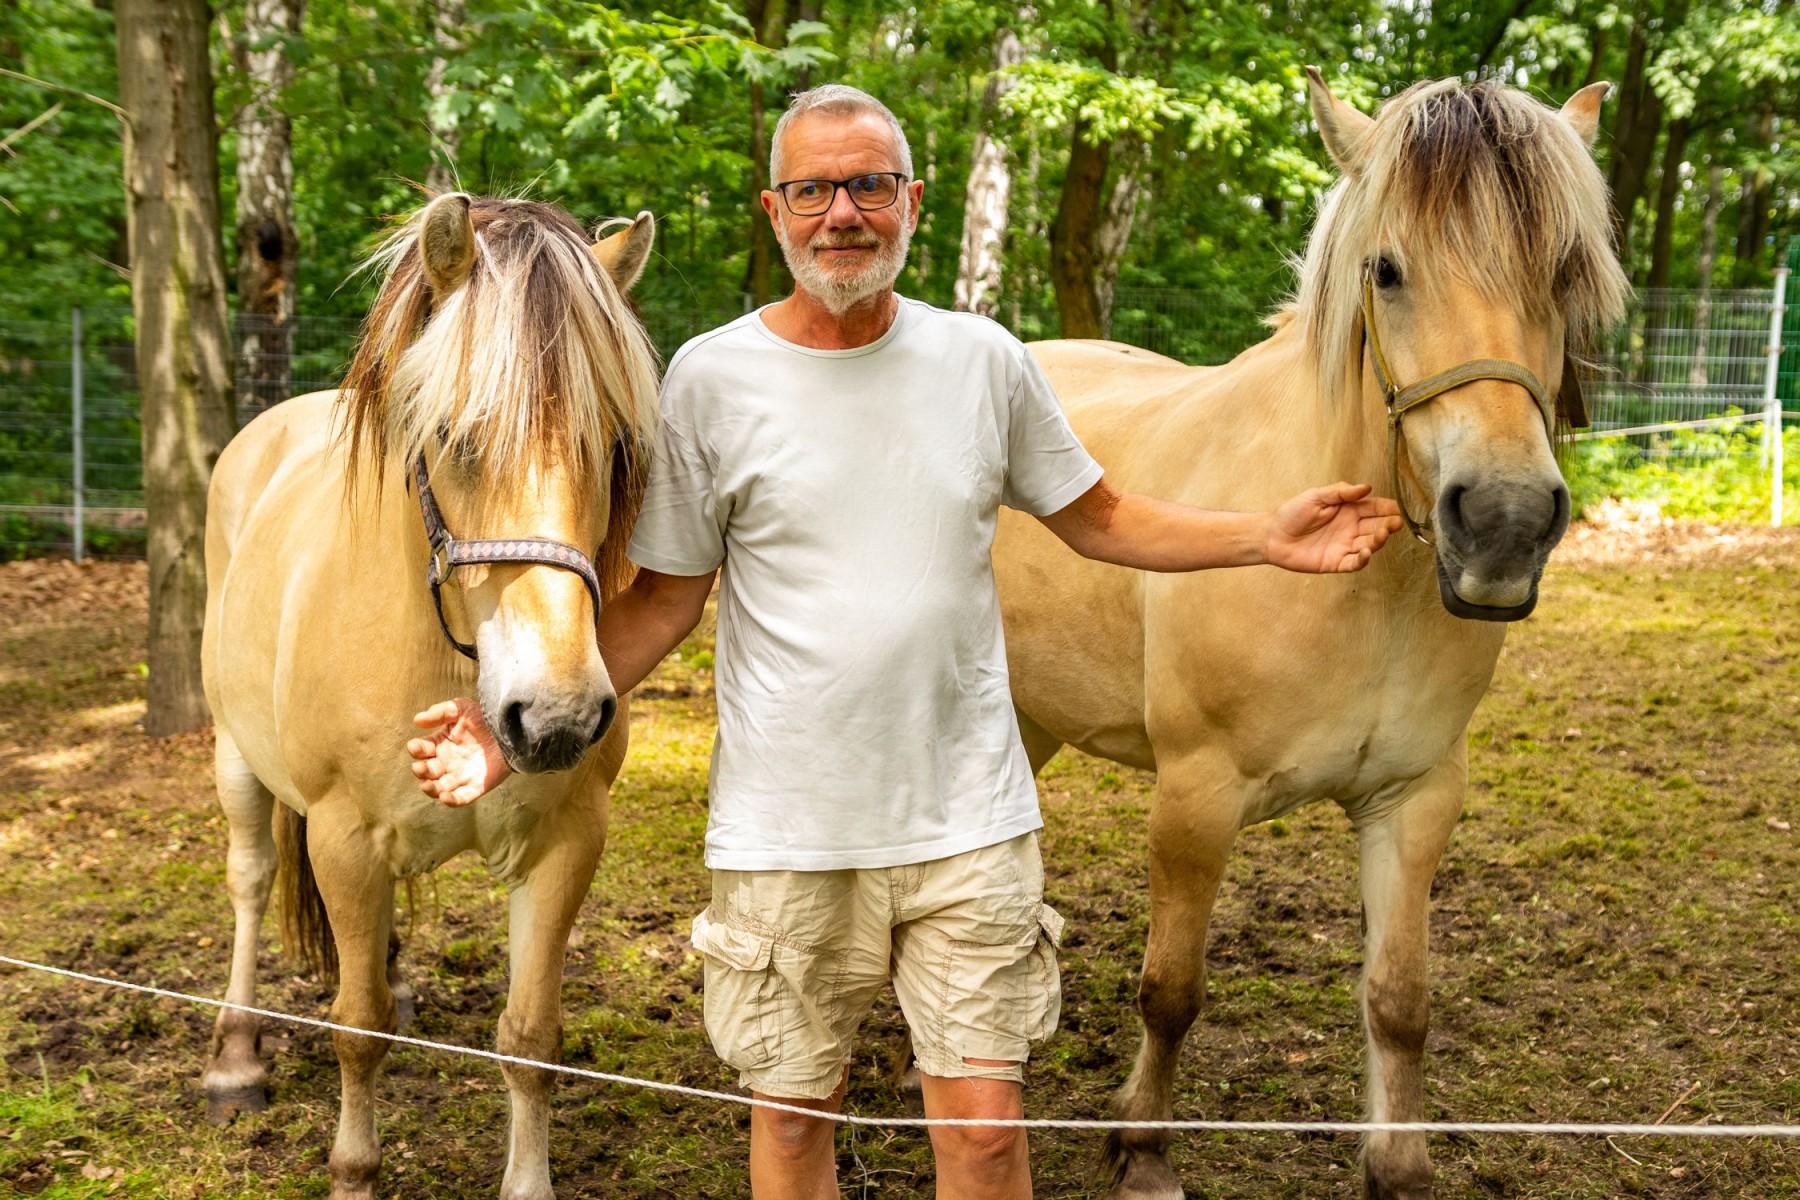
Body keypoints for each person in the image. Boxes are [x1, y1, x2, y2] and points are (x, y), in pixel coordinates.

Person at [408, 85, 1402, 1200]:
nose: (843, 212)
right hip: (787, 831)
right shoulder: (709, 379)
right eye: (813, 189)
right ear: (774, 212)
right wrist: (508, 742)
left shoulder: (983, 361)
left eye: (869, 185)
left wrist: (1264, 536)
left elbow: (1103, 517)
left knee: (982, 1135)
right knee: (791, 1129)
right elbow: (661, 602)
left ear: (913, 203)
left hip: (969, 822)